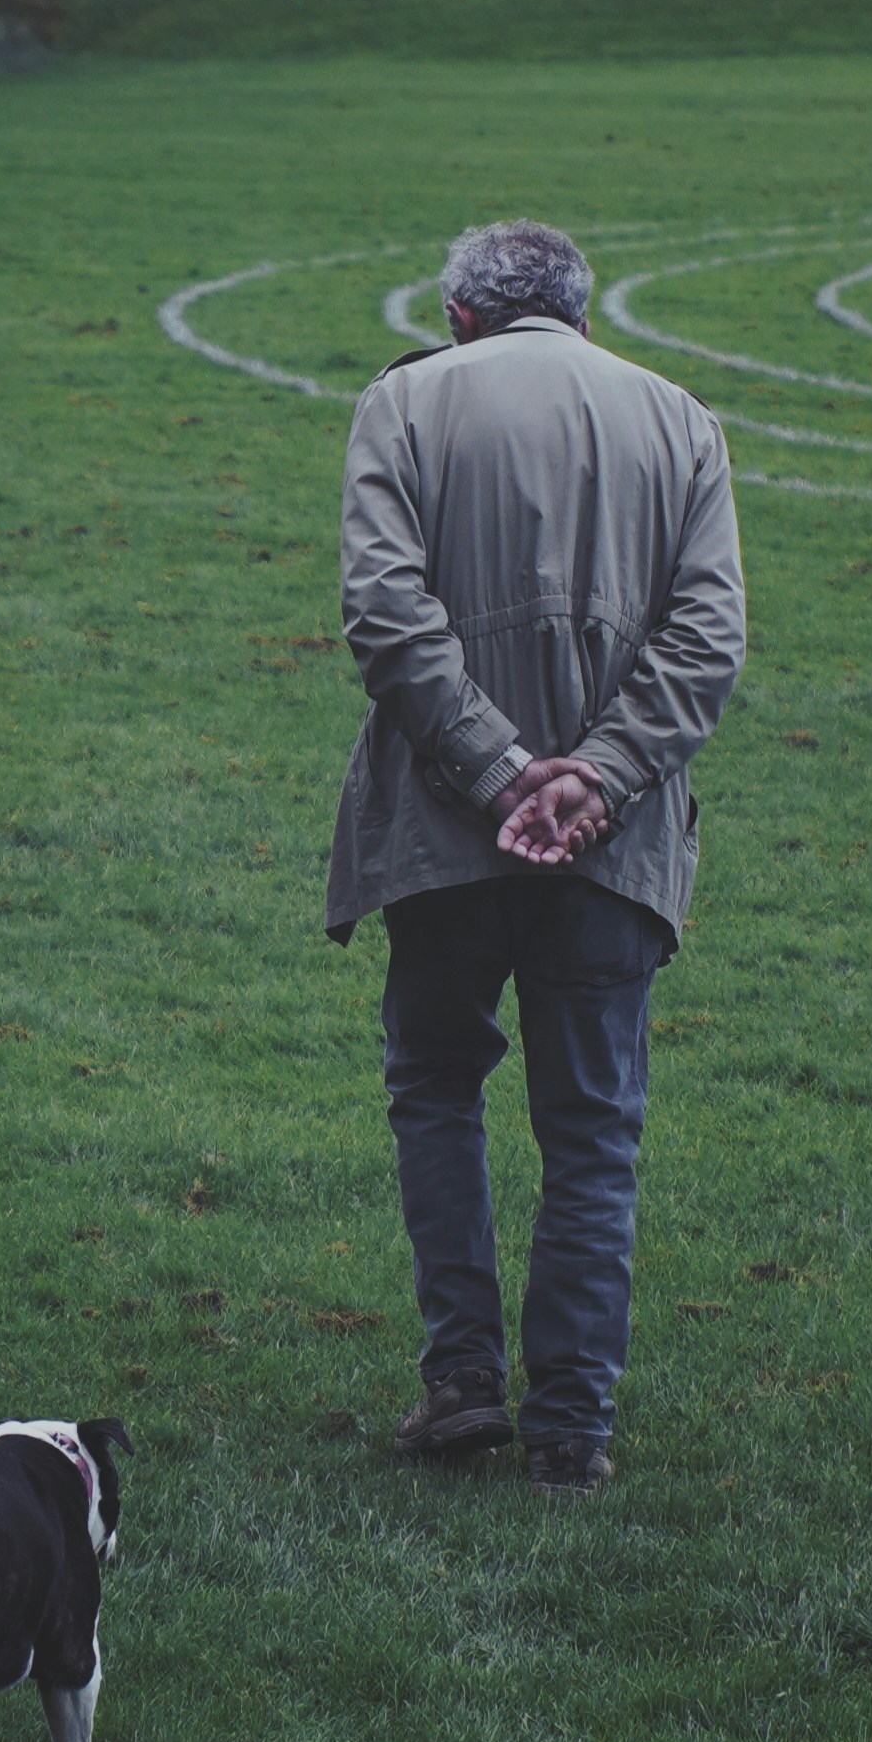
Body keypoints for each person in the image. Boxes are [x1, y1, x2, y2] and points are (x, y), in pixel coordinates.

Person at [325, 216, 746, 1487]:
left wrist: (499, 772)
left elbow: (383, 611)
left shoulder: (402, 408)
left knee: (438, 1089)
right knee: (593, 1130)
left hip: (442, 836)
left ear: (458, 314)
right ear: (584, 310)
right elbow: (708, 638)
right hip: (611, 851)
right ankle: (572, 1422)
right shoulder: (680, 419)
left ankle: (460, 1383)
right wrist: (595, 780)